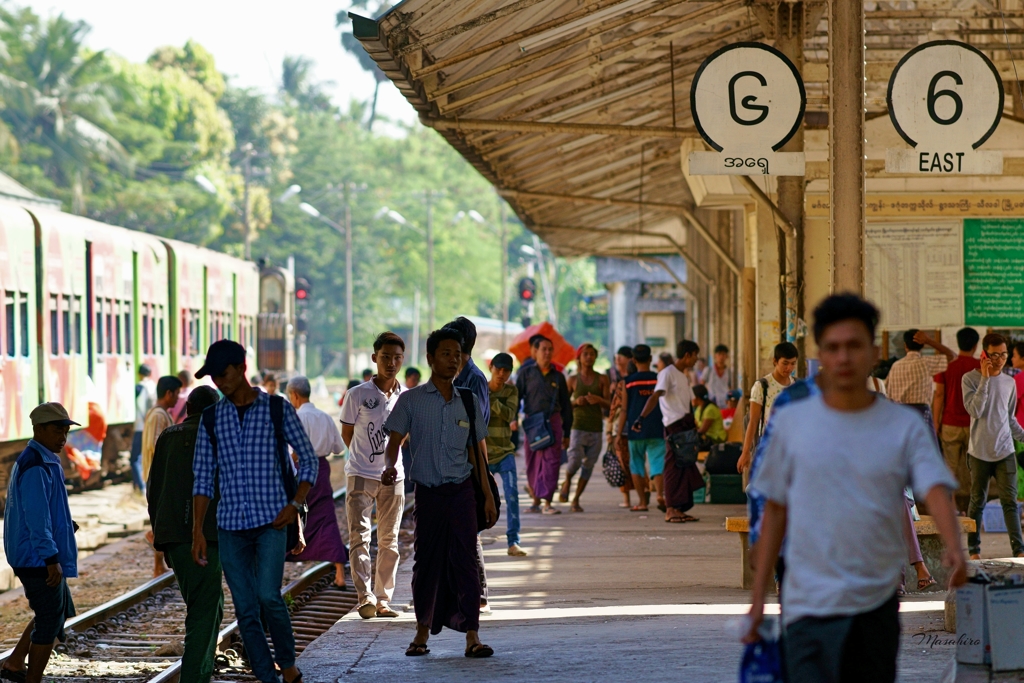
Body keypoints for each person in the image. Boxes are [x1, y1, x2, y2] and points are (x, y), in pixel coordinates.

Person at [744, 294, 966, 682]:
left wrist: (957, 553)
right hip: (807, 596)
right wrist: (760, 597)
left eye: (854, 345)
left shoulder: (901, 424)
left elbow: (934, 488)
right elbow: (775, 507)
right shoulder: (794, 423)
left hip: (874, 599)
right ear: (821, 355)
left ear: (871, 351)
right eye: (833, 347)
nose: (844, 357)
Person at [191, 340, 318, 683]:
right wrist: (198, 532)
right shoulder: (211, 418)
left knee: (268, 597)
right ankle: (266, 676)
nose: (219, 382)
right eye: (214, 378)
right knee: (245, 609)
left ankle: (288, 664)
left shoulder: (277, 409)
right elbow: (202, 478)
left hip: (271, 522)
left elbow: (308, 459)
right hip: (230, 526)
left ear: (242, 368)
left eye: (224, 374)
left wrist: (295, 505)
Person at [382, 327, 497, 658]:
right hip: (429, 496)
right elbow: (393, 444)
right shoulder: (411, 401)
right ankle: (421, 633)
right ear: (431, 358)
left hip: (461, 492)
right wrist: (390, 466)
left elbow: (478, 452)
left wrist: (487, 495)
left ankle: (472, 636)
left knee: (466, 562)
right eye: (445, 354)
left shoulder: (469, 401)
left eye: (457, 354)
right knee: (427, 564)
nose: (453, 360)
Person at [146, 386, 222, 683]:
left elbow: (154, 489)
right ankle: (194, 677)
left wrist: (160, 533)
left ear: (187, 409)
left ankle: (201, 672)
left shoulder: (168, 436)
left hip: (174, 537)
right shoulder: (218, 438)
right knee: (203, 612)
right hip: (208, 537)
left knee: (209, 605)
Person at [2, 404, 80, 683]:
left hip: (38, 552)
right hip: (36, 556)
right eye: (57, 430)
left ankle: (14, 662)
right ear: (39, 429)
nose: (63, 436)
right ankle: (32, 679)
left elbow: (45, 510)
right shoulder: (36, 465)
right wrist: (51, 558)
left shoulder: (43, 459)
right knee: (48, 619)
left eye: (66, 431)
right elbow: (36, 519)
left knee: (53, 611)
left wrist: (64, 529)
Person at [339, 332, 407, 618]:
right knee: (360, 537)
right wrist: (364, 460)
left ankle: (383, 599)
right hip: (360, 475)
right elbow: (347, 433)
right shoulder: (357, 395)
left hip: (395, 476)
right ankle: (364, 596)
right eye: (386, 357)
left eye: (397, 358)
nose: (391, 363)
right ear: (374, 358)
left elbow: (405, 436)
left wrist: (390, 465)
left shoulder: (406, 397)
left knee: (389, 539)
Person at [443, 317, 494, 613]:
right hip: (447, 463)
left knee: (467, 530)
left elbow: (478, 429)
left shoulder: (473, 380)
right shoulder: (450, 376)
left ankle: (479, 592)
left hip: (467, 463)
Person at [962, 333, 1024, 560]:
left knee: (1010, 501)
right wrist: (986, 379)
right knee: (977, 501)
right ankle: (974, 550)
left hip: (1005, 450)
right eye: (995, 354)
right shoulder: (969, 379)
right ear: (984, 354)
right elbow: (975, 411)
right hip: (979, 452)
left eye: (1004, 354)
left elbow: (1010, 419)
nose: (1000, 359)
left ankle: (1019, 550)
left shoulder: (1009, 382)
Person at [286, 376, 348, 586]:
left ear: (294, 395)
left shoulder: (296, 418)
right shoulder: (324, 417)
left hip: (300, 470)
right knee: (326, 518)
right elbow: (339, 449)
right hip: (321, 470)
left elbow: (292, 452)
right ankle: (340, 574)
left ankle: (289, 555)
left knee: (297, 515)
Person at [636, 340, 704, 524]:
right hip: (674, 426)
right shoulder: (667, 373)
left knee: (685, 466)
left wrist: (694, 423)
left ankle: (680, 508)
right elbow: (655, 396)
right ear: (687, 354)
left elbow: (689, 402)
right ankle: (670, 508)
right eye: (695, 355)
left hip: (686, 425)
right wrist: (641, 418)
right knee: (673, 467)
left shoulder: (684, 376)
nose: (696, 360)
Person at [517, 334, 573, 514]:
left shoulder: (558, 376)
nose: (547, 353)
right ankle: (535, 500)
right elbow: (516, 398)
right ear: (535, 352)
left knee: (551, 462)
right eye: (543, 349)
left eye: (550, 350)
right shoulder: (525, 374)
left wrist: (567, 433)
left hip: (553, 422)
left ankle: (547, 502)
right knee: (532, 461)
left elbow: (566, 406)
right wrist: (512, 419)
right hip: (532, 423)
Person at [932, 327, 981, 514]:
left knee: (950, 468)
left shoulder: (946, 366)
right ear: (975, 345)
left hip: (950, 423)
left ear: (957, 343)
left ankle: (951, 508)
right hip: (974, 424)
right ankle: (973, 508)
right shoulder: (978, 367)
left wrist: (936, 422)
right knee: (974, 469)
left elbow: (939, 395)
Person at [561, 343, 610, 512]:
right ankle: (567, 481)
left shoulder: (602, 379)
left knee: (588, 465)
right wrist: (576, 402)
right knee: (574, 461)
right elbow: (564, 405)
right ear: (580, 358)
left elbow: (609, 403)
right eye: (586, 354)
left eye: (592, 354)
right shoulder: (573, 379)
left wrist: (599, 400)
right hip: (578, 426)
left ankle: (576, 499)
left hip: (596, 428)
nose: (589, 357)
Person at [737, 342, 799, 476]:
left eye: (793, 363)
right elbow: (753, 421)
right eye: (785, 363)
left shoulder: (797, 386)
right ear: (775, 361)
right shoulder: (762, 386)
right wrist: (746, 451)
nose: (789, 368)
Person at [487, 352, 527, 556]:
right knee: (477, 498)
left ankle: (513, 542)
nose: (501, 374)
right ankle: (473, 537)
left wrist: (489, 399)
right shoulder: (479, 388)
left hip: (505, 453)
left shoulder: (511, 390)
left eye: (506, 370)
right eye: (498, 369)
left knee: (512, 495)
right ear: (491, 368)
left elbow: (509, 415)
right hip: (483, 454)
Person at [142, 375, 183, 577]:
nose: (178, 398)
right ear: (169, 393)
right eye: (176, 394)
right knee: (160, 521)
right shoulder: (159, 415)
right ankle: (157, 556)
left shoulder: (156, 413)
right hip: (159, 475)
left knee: (159, 519)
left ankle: (158, 565)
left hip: (156, 475)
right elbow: (156, 444)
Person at [618, 344, 662, 511]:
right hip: (656, 427)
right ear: (650, 359)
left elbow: (623, 410)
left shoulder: (628, 382)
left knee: (636, 465)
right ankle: (660, 495)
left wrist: (618, 434)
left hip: (634, 430)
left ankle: (642, 502)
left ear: (633, 360)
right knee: (657, 463)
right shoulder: (658, 379)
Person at [886, 329, 955, 425]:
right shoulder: (926, 363)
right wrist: (929, 340)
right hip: (921, 416)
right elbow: (952, 356)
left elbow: (888, 394)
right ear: (923, 345)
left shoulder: (895, 366)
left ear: (905, 346)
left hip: (900, 416)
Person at [607, 346, 635, 508]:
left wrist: (610, 432)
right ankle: (642, 496)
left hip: (623, 430)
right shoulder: (646, 381)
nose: (619, 359)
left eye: (623, 356)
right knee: (636, 462)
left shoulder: (623, 384)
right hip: (640, 429)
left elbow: (615, 409)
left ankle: (628, 499)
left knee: (624, 464)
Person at [131, 364, 156, 494]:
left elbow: (139, 408)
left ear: (139, 374)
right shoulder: (153, 386)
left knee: (134, 458)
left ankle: (141, 488)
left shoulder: (139, 387)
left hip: (141, 426)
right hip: (151, 425)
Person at [692, 385, 726, 450]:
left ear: (697, 398)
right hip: (708, 438)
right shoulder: (698, 409)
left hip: (716, 439)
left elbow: (703, 430)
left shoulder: (710, 409)